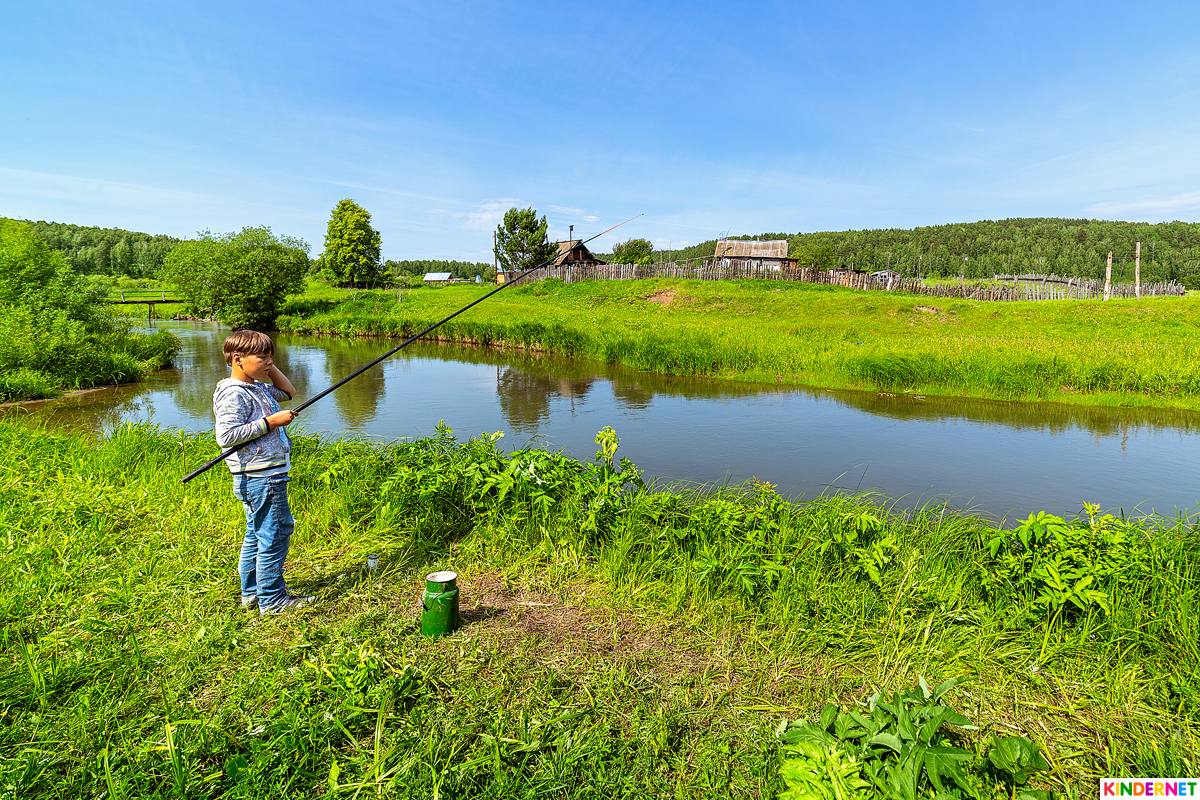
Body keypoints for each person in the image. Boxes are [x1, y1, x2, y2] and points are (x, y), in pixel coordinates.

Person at [214, 329, 314, 615]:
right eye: (262, 358)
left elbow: (289, 392)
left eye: (271, 357)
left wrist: (267, 366)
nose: (269, 362)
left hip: (263, 474)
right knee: (275, 533)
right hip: (261, 477)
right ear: (238, 359)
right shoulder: (234, 393)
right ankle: (272, 600)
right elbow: (226, 437)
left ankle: (252, 594)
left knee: (256, 534)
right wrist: (271, 422)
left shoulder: (256, 387)